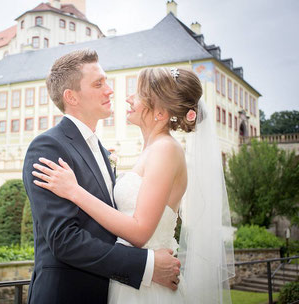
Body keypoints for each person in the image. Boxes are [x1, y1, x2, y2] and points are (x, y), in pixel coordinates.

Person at [32, 66, 235, 303]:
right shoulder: (151, 150)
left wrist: (74, 191)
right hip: (130, 279)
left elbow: (139, 232)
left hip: (148, 289)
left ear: (159, 113)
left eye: (138, 94)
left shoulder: (165, 149)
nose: (129, 98)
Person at [22, 50, 181, 304]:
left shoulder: (103, 152)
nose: (110, 90)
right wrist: (147, 266)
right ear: (71, 97)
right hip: (67, 295)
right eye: (99, 84)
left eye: (106, 81)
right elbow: (64, 240)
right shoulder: (47, 147)